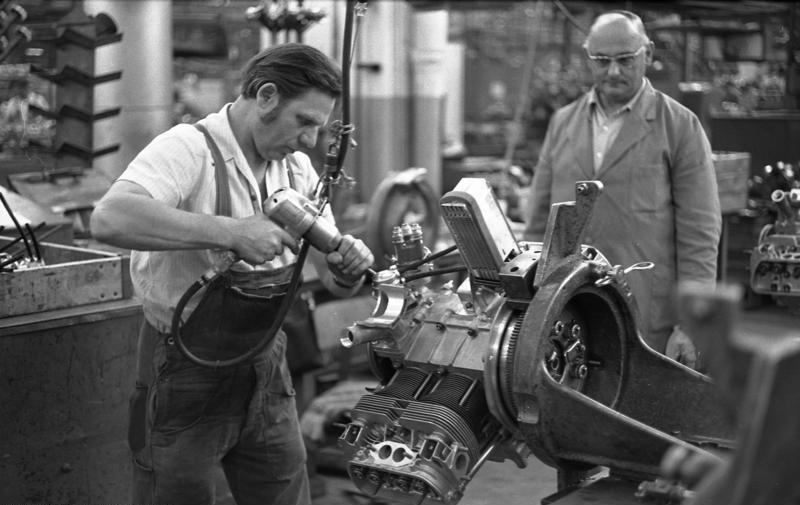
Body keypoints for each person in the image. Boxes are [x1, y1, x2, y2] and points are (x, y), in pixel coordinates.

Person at [90, 43, 374, 505]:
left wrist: (348, 267)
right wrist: (230, 232)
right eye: (304, 122)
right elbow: (110, 218)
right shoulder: (187, 148)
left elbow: (331, 272)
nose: (309, 141)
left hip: (266, 368)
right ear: (265, 96)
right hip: (184, 370)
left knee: (284, 493)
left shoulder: (295, 168)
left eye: (318, 129)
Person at [522, 11, 721, 367]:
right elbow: (538, 221)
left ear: (648, 52)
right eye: (602, 61)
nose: (613, 71)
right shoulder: (563, 123)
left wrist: (691, 323)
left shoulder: (679, 127)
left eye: (625, 60)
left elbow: (700, 233)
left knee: (642, 414)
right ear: (588, 58)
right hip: (569, 310)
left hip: (646, 315)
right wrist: (527, 299)